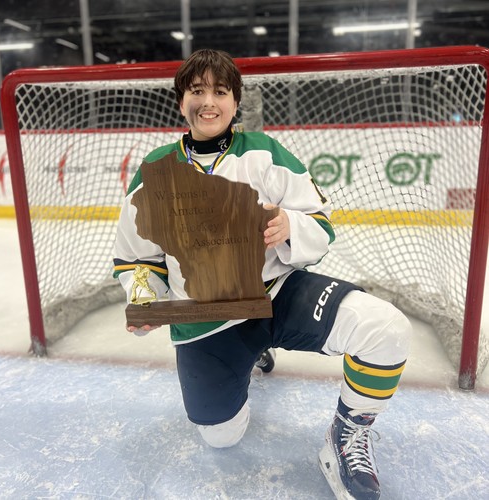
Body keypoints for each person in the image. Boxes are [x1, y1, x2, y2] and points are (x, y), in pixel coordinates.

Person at [113, 49, 411, 500]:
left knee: (385, 328)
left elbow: (321, 224)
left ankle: (347, 434)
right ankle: (249, 355)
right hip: (206, 320)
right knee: (220, 436)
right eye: (197, 91)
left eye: (220, 92)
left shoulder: (265, 153)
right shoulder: (155, 170)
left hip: (279, 293)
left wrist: (291, 225)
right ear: (180, 101)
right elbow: (136, 258)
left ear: (235, 102)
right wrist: (145, 298)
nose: (208, 102)